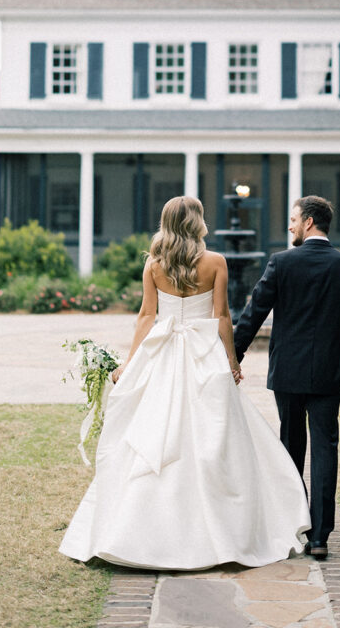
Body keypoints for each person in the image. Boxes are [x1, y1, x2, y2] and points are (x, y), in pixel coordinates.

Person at [59, 196, 310, 570]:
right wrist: (230, 360)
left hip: (161, 354)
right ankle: (220, 529)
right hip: (202, 353)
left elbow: (146, 317)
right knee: (211, 435)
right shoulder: (215, 262)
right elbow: (222, 315)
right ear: (197, 222)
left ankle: (140, 533)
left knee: (156, 431)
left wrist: (131, 363)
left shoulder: (154, 265)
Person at [233, 195, 340, 561]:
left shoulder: (282, 263)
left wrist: (233, 355)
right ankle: (320, 536)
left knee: (291, 447)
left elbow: (253, 314)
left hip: (288, 373)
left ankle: (295, 526)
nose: (289, 226)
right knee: (325, 450)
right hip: (329, 375)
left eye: (292, 220)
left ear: (308, 222)